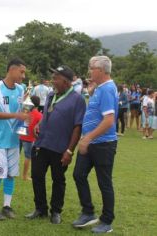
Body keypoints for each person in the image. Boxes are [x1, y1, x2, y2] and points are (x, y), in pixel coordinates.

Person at [25, 65, 86, 224]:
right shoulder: (52, 94)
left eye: (56, 78)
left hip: (60, 148)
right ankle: (40, 209)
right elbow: (47, 114)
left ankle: (56, 211)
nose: (53, 80)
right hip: (41, 144)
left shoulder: (77, 99)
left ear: (65, 81)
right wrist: (39, 125)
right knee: (37, 176)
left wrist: (69, 151)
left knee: (58, 180)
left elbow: (77, 127)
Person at [73, 56, 118, 233]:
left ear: (101, 70)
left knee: (104, 182)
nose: (89, 72)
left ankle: (107, 221)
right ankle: (88, 212)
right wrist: (91, 93)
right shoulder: (100, 88)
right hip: (92, 143)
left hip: (103, 144)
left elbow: (109, 120)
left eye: (92, 68)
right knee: (79, 175)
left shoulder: (107, 89)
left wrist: (87, 138)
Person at [0, 58, 28, 220]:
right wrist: (16, 114)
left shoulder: (20, 89)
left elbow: (22, 111)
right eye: (21, 72)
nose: (23, 76)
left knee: (11, 174)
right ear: (12, 70)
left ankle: (7, 206)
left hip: (14, 140)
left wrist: (24, 120)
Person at [19, 95, 42, 181]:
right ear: (38, 104)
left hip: (20, 135)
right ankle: (24, 176)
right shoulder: (39, 115)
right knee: (28, 157)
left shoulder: (25, 111)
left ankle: (12, 172)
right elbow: (39, 129)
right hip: (29, 138)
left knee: (15, 155)